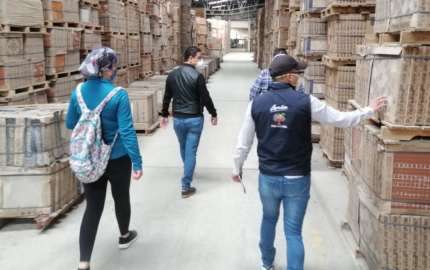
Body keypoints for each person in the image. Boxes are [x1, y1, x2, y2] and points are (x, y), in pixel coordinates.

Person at [232, 55, 387, 270]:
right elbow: (342, 119)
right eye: (298, 73)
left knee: (268, 219)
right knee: (293, 231)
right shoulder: (307, 102)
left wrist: (236, 167)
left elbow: (244, 142)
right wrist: (369, 110)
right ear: (289, 77)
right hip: (297, 178)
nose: (300, 76)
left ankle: (266, 263)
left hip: (269, 177)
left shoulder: (255, 104)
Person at [66, 47, 143, 270]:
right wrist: (137, 162)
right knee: (121, 197)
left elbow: (71, 123)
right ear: (108, 68)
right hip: (118, 158)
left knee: (92, 207)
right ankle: (125, 236)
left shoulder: (78, 91)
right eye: (114, 66)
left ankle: (84, 262)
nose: (116, 69)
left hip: (90, 159)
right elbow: (127, 131)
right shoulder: (118, 94)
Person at [160, 46, 218, 198]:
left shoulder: (172, 75)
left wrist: (164, 115)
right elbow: (205, 98)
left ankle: (188, 168)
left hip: (178, 119)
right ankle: (186, 186)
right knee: (191, 151)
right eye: (199, 57)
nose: (200, 60)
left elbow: (167, 97)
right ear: (190, 58)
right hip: (194, 119)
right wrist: (213, 113)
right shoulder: (197, 76)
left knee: (184, 147)